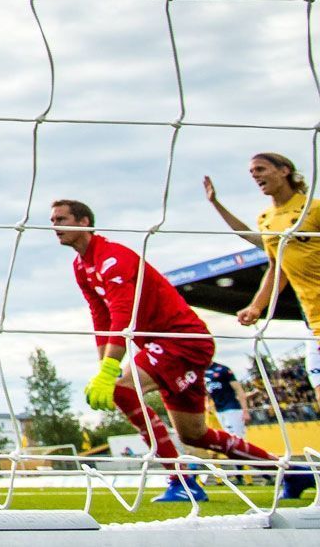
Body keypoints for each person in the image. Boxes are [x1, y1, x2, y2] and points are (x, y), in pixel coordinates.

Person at [52, 198, 297, 502]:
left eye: (61, 219)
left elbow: (121, 313)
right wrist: (103, 364)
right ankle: (288, 472)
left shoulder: (112, 258)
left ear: (84, 222)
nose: (54, 226)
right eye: (53, 221)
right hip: (163, 345)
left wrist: (111, 370)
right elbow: (100, 315)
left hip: (181, 340)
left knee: (122, 388)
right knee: (194, 434)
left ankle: (181, 481)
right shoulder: (81, 266)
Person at [205, 154, 320, 406]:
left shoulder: (314, 209)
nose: (255, 175)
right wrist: (256, 306)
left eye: (260, 169)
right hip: (313, 320)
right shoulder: (266, 219)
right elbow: (276, 267)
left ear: (284, 171)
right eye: (251, 172)